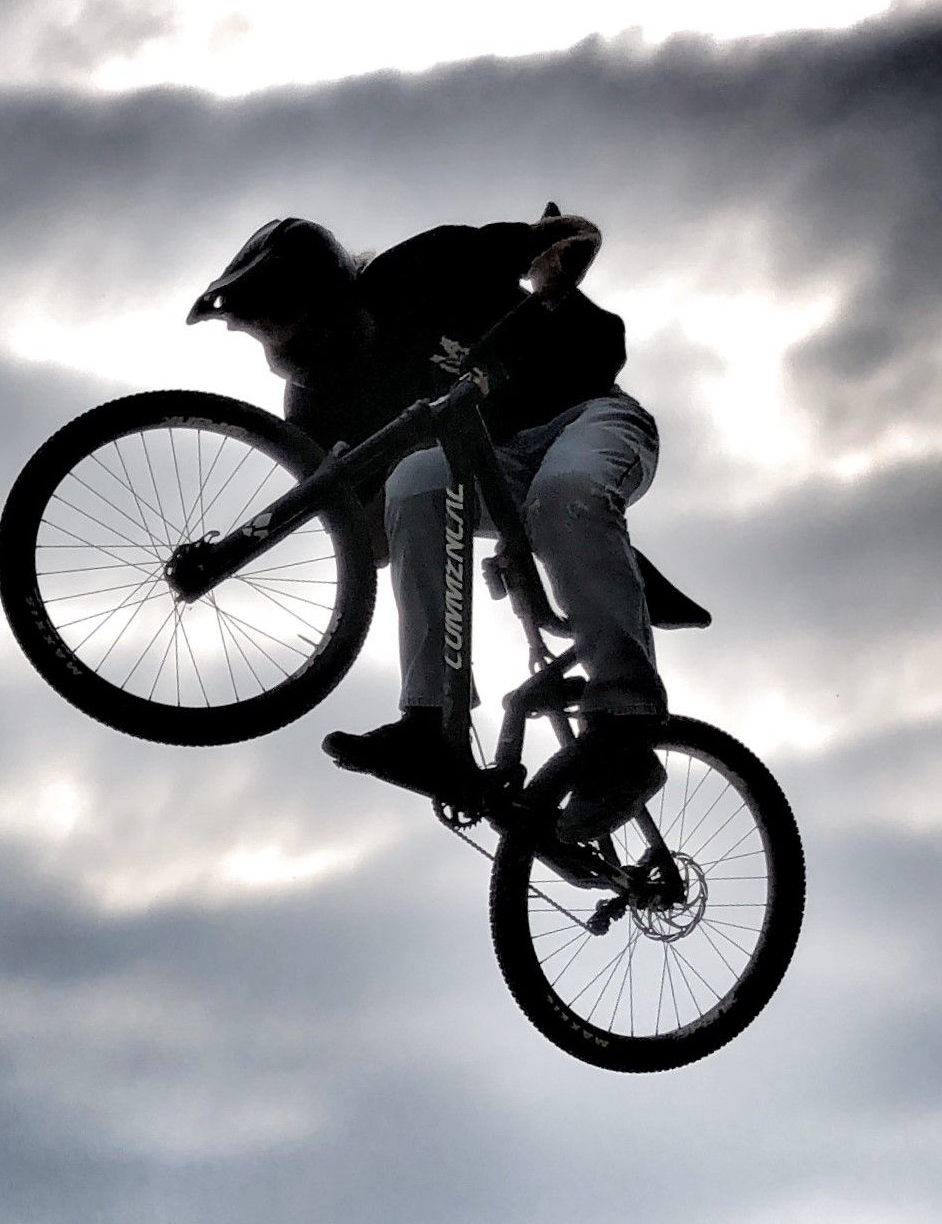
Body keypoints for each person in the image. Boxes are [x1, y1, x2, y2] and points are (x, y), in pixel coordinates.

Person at [187, 209, 666, 839]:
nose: (331, 354)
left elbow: (570, 231)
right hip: (497, 465)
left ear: (336, 295)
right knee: (413, 480)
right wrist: (353, 510)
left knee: (565, 493)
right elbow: (374, 545)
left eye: (327, 329)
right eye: (298, 347)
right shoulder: (316, 404)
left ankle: (626, 725)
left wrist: (559, 268)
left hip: (586, 415)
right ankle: (431, 727)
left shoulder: (424, 266)